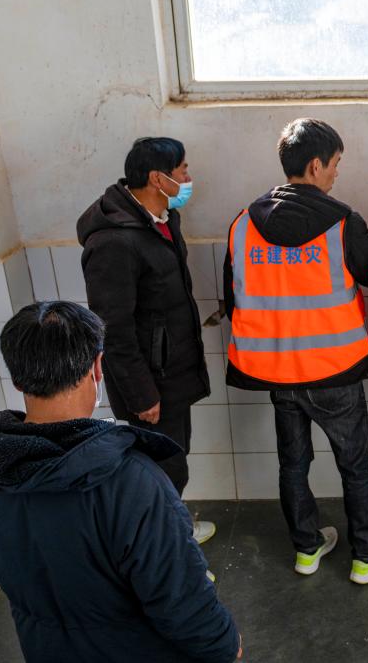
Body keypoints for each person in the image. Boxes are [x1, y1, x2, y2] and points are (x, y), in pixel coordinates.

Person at [0, 302, 240, 663]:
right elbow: (180, 598)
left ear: (17, 379)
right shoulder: (132, 482)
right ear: (97, 368)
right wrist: (225, 643)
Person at [223, 118, 368, 584]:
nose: (337, 173)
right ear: (316, 165)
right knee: (355, 467)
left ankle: (307, 550)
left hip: (277, 373)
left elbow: (234, 300)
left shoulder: (243, 224)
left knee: (293, 465)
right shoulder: (343, 222)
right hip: (334, 371)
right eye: (335, 164)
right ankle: (365, 556)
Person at [77, 136, 215, 543]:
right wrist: (141, 394)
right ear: (158, 178)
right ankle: (170, 556)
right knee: (162, 473)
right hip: (151, 383)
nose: (188, 178)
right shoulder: (113, 242)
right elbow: (112, 328)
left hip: (172, 373)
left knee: (174, 462)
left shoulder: (162, 221)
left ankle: (176, 535)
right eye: (183, 171)